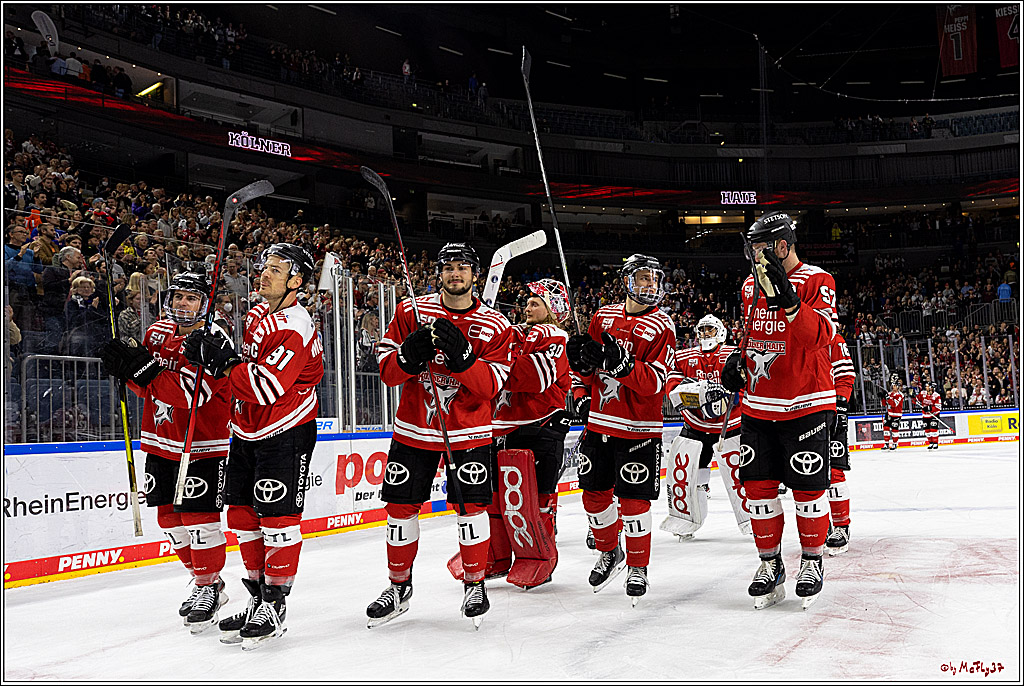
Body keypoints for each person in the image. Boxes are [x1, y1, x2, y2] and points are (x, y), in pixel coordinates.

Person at [365, 242, 513, 629]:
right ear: (439, 272)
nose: (456, 273)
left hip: (470, 434)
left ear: (475, 274)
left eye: (464, 267)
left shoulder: (497, 325)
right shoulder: (412, 311)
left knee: (471, 511)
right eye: (449, 266)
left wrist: (465, 360)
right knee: (399, 512)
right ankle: (399, 587)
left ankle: (475, 583)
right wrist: (406, 356)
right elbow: (385, 369)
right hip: (413, 432)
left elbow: (492, 386)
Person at [184, 243, 323, 649]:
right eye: (264, 266)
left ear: (295, 281)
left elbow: (266, 385)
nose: (264, 274)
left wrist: (223, 364)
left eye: (276, 270)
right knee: (243, 514)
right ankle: (258, 596)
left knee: (277, 518)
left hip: (285, 430)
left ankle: (276, 605)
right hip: (245, 429)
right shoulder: (260, 312)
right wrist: (215, 356)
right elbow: (244, 370)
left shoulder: (295, 325)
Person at [97, 272, 233, 633]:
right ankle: (204, 581)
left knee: (198, 521)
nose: (181, 304)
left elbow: (191, 394)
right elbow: (150, 388)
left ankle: (208, 584)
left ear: (206, 304)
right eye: (177, 297)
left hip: (202, 444)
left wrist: (144, 372)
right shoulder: (157, 332)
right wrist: (124, 370)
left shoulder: (213, 338)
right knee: (169, 521)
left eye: (190, 298)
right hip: (160, 440)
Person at [720, 212, 838, 610]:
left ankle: (811, 560)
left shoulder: (818, 280)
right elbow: (751, 331)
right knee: (757, 491)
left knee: (808, 490)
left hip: (805, 402)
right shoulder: (750, 284)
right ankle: (770, 563)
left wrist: (789, 301)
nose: (755, 255)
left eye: (761, 247)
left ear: (783, 245)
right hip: (758, 404)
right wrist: (737, 360)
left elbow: (820, 337)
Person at [566, 253, 676, 604]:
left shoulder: (664, 326)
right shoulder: (603, 316)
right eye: (643, 278)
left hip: (639, 430)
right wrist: (580, 392)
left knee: (634, 503)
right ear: (627, 280)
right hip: (599, 425)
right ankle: (610, 551)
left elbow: (657, 383)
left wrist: (622, 364)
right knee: (594, 497)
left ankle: (639, 566)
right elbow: (586, 367)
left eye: (654, 279)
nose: (650, 285)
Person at [449, 278, 572, 589]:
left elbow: (533, 377)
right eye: (528, 301)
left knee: (535, 498)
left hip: (541, 425)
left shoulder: (554, 335)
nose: (528, 306)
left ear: (553, 308)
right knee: (493, 498)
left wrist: (490, 367)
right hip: (502, 427)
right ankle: (496, 555)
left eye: (536, 302)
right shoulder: (513, 332)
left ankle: (540, 557)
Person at [662, 314, 750, 540]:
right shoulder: (684, 356)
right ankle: (686, 520)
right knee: (688, 475)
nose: (704, 334)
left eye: (710, 329)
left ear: (720, 332)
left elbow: (747, 383)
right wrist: (689, 392)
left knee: (740, 474)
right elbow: (671, 385)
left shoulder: (733, 354)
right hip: (696, 425)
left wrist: (731, 396)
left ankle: (751, 518)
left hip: (731, 425)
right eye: (701, 330)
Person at [825, 333, 855, 556]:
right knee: (808, 476)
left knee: (834, 471)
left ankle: (841, 526)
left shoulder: (833, 338)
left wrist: (841, 404)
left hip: (829, 411)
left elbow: (845, 374)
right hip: (799, 414)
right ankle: (820, 525)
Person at [914, 380, 943, 450]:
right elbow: (917, 400)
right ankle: (931, 443)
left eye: (928, 386)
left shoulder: (936, 396)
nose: (926, 387)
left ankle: (935, 443)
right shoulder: (923, 393)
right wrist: (912, 396)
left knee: (933, 429)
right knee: (927, 430)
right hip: (925, 415)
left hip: (934, 415)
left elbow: (938, 407)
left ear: (931, 388)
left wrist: (929, 408)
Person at [883, 375, 905, 451]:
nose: (893, 387)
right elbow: (884, 404)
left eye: (895, 385)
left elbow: (894, 404)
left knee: (894, 429)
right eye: (893, 385)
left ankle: (895, 443)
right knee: (886, 428)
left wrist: (888, 399)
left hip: (896, 415)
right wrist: (883, 397)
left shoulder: (900, 395)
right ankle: (886, 444)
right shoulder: (889, 394)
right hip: (888, 413)